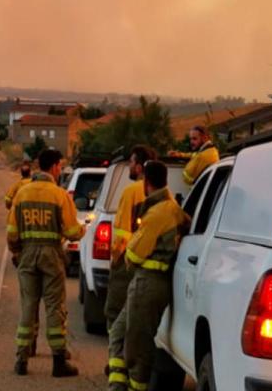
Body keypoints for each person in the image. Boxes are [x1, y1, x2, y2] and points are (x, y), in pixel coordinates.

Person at [107, 161, 191, 391]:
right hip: (147, 282)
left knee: (137, 345)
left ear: (147, 181)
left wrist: (131, 244)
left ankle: (135, 386)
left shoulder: (158, 213)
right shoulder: (171, 207)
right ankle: (117, 384)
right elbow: (186, 223)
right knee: (118, 331)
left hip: (148, 283)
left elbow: (133, 255)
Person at [7, 149, 85, 377]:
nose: (60, 170)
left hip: (27, 256)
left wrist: (17, 253)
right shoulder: (60, 195)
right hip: (52, 257)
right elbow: (72, 232)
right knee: (54, 307)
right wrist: (82, 230)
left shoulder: (22, 193)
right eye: (60, 166)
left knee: (28, 306)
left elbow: (12, 232)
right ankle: (59, 361)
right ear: (53, 167)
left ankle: (21, 359)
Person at [104, 145, 156, 378]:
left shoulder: (131, 191)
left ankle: (116, 362)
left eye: (132, 162)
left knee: (114, 312)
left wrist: (115, 260)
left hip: (127, 262)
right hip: (150, 264)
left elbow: (122, 233)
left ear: (140, 165)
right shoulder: (160, 192)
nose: (130, 167)